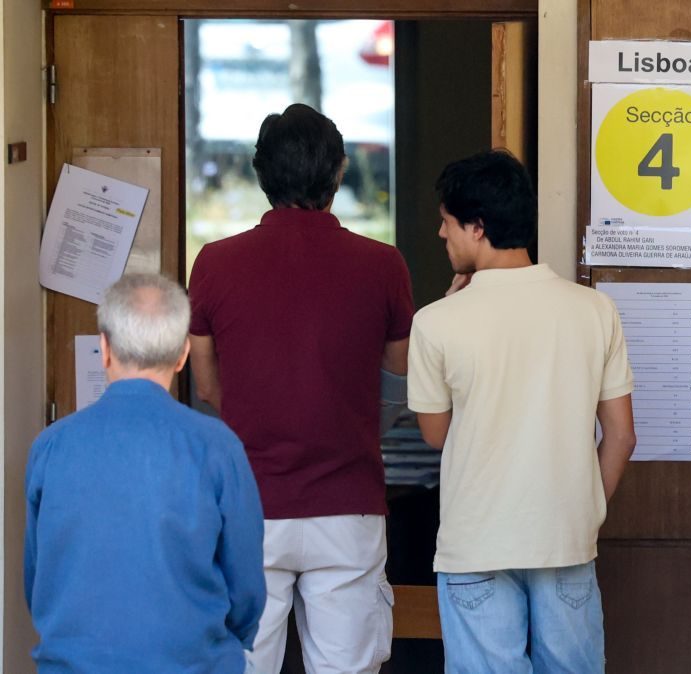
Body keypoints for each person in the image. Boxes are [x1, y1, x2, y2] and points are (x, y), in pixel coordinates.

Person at [188, 103, 414, 673]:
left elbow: (209, 386)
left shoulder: (214, 264)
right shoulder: (384, 265)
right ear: (339, 171)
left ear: (261, 174)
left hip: (249, 507)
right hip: (349, 505)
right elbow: (397, 380)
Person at [407, 149, 637, 673]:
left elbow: (438, 435)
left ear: (477, 227)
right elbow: (621, 436)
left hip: (476, 541)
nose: (442, 235)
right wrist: (586, 511)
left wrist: (450, 304)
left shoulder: (436, 322)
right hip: (566, 538)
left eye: (447, 223)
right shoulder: (593, 309)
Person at [24, 273, 265, 673]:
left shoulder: (51, 446)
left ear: (104, 349)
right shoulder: (217, 446)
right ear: (184, 354)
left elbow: (38, 581)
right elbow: (246, 590)